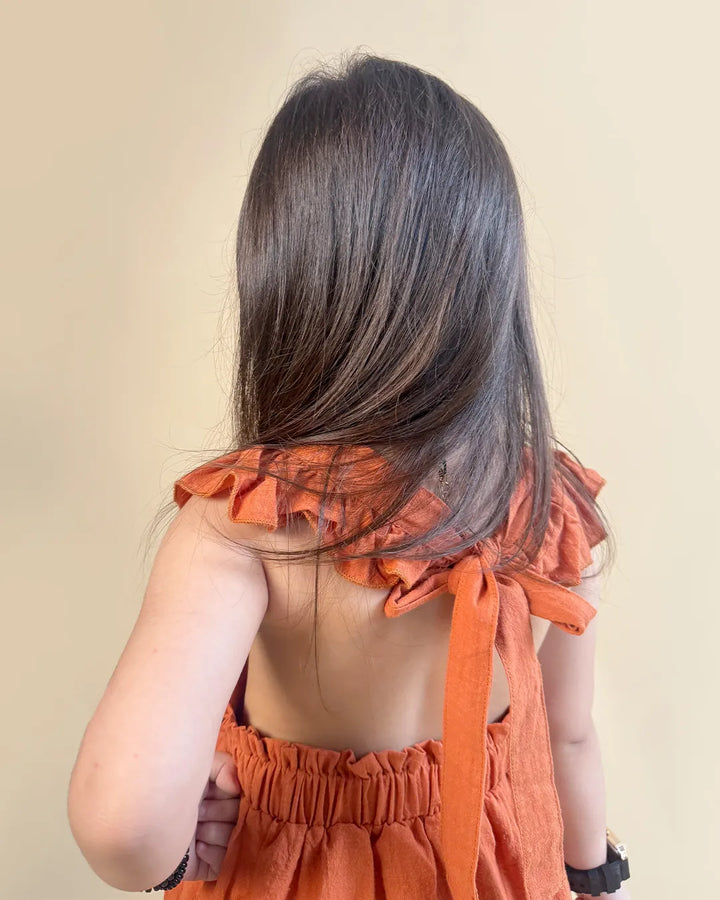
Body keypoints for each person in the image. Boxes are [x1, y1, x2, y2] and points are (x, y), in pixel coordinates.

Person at [67, 52, 631, 899]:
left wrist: (175, 851)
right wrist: (593, 872)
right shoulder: (554, 510)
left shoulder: (244, 523)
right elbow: (569, 738)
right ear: (492, 277)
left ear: (286, 277)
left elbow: (123, 827)